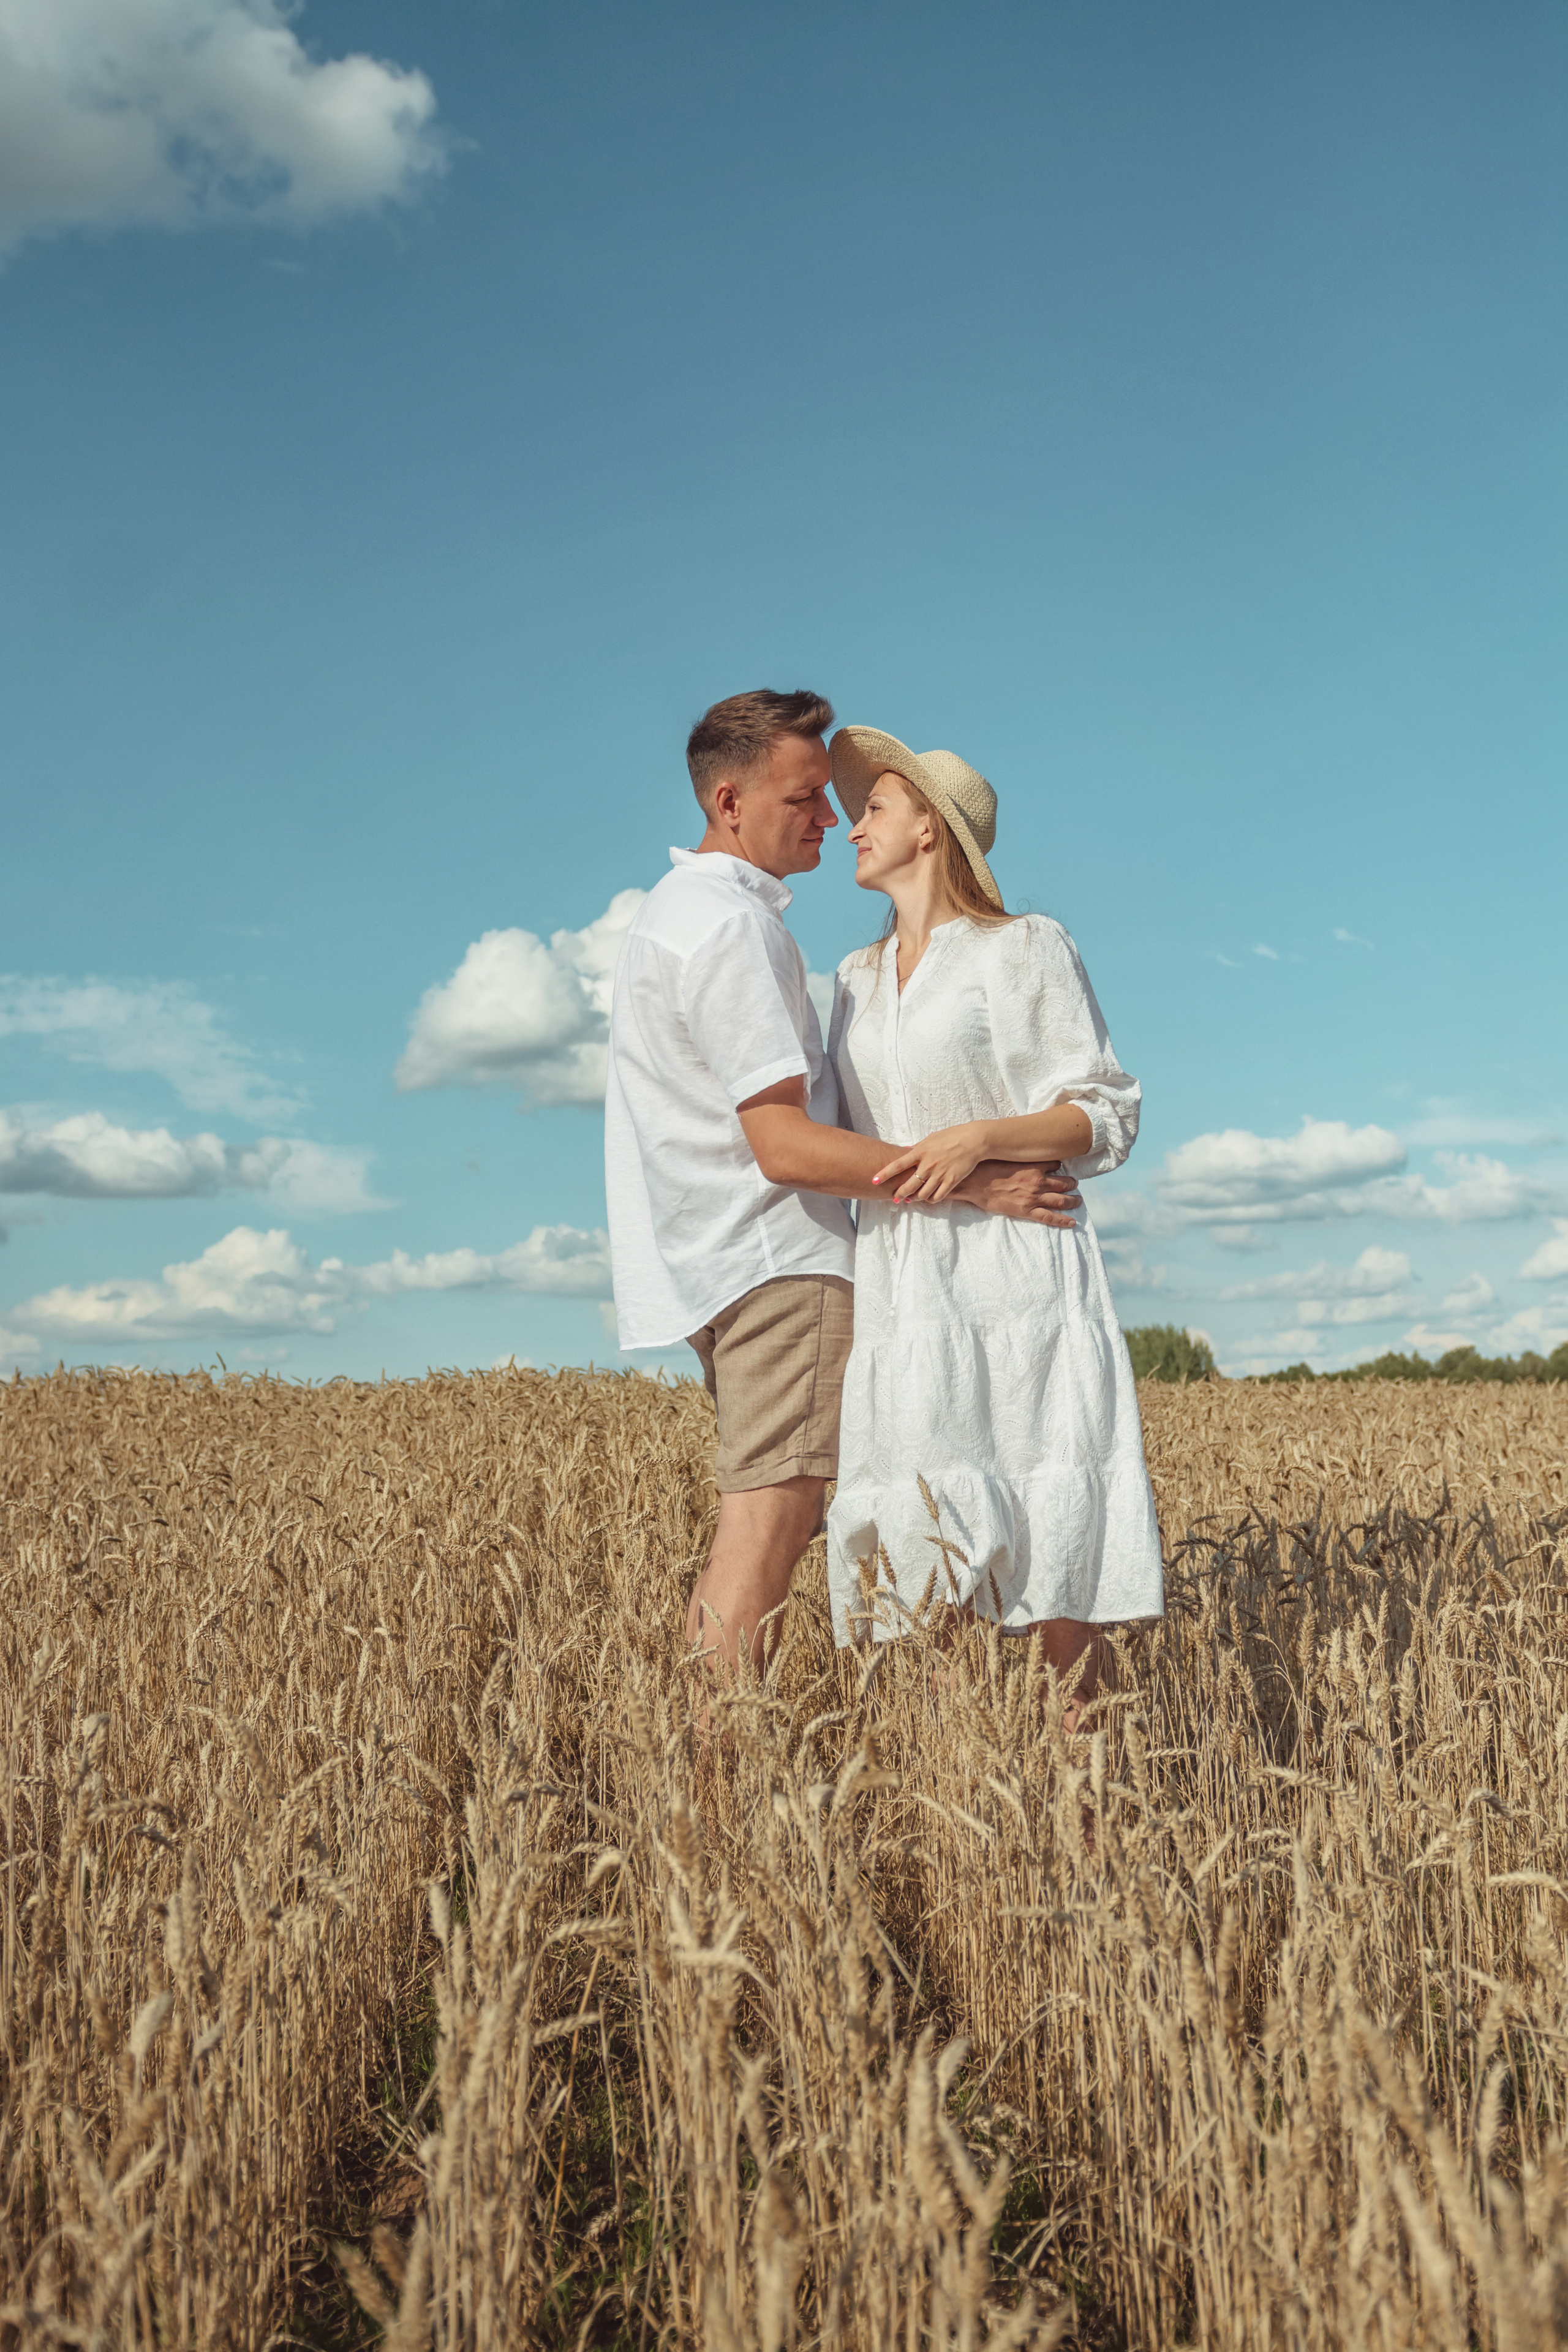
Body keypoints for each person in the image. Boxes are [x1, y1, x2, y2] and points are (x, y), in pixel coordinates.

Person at [603, 688, 1086, 1674]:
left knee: (808, 1515)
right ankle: (708, 1784)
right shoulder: (734, 930)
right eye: (809, 797)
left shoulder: (673, 915)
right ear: (730, 802)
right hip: (782, 1261)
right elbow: (782, 1144)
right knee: (769, 1527)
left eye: (844, 799)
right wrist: (975, 1182)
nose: (830, 817)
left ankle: (708, 1772)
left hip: (722, 1263)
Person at [822, 726, 1164, 1720]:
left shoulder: (1025, 948)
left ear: (929, 828)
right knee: (928, 1555)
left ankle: (1090, 1817)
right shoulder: (849, 980)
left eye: (875, 808)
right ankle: (973, 1815)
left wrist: (980, 1141)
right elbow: (843, 1142)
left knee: (1055, 1549)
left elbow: (1104, 1110)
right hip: (905, 1281)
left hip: (1021, 1274)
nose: (854, 826)